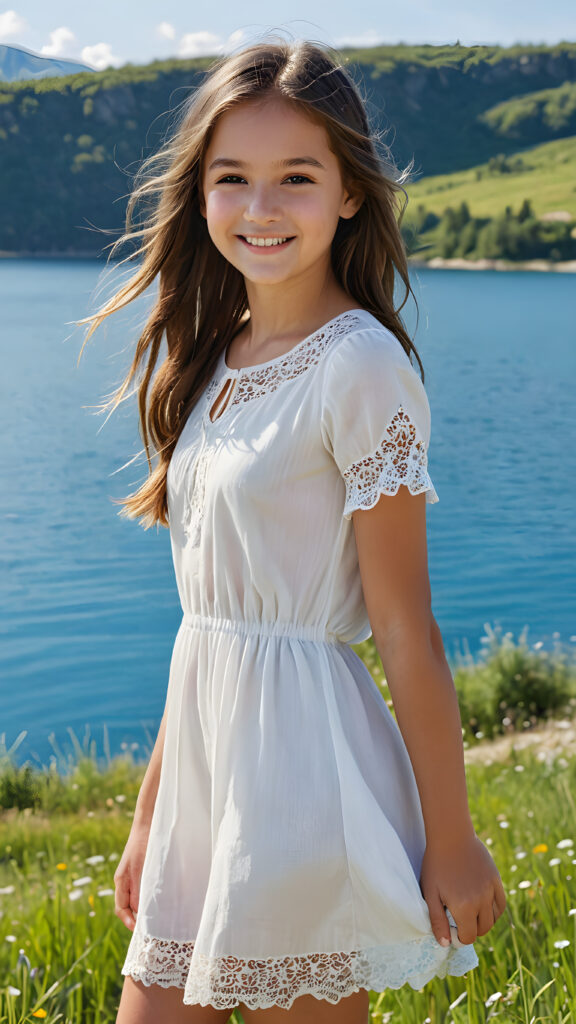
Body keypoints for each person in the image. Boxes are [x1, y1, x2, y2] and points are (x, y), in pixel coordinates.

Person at [79, 34, 506, 1024]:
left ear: (348, 192)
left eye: (296, 177)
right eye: (233, 178)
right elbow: (209, 631)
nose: (261, 207)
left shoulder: (359, 365)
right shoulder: (215, 359)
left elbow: (405, 625)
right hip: (202, 776)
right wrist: (151, 820)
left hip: (303, 773)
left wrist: (454, 836)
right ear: (202, 194)